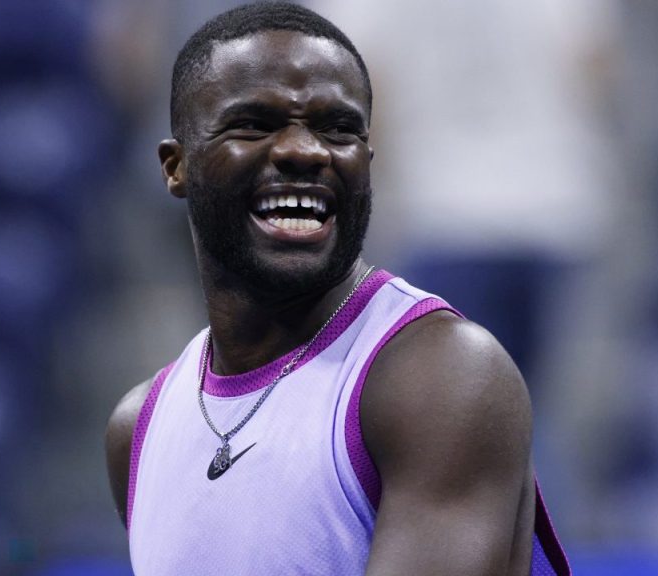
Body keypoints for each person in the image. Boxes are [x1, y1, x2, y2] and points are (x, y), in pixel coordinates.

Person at [105, 3, 569, 575]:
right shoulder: (139, 429)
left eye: (338, 129)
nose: (304, 150)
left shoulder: (440, 376)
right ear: (175, 167)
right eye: (255, 123)